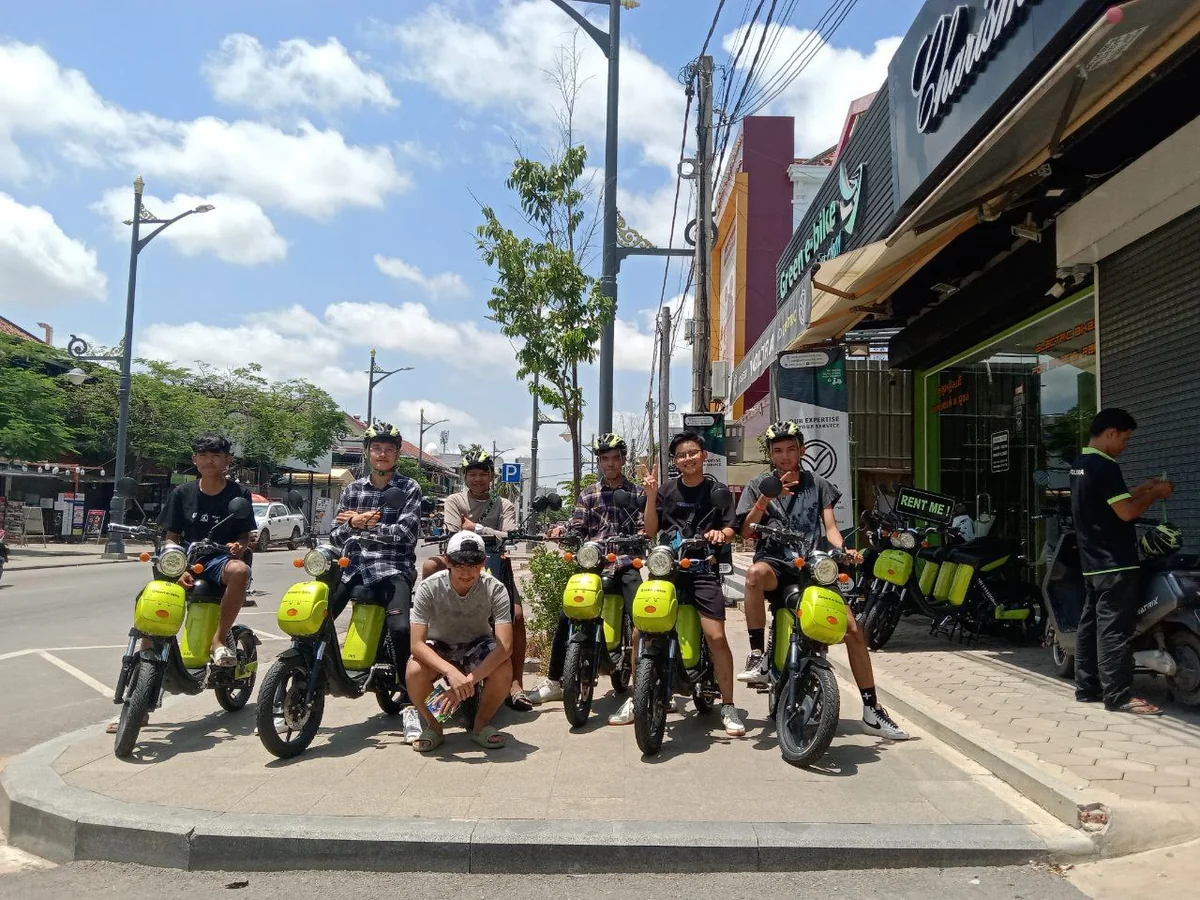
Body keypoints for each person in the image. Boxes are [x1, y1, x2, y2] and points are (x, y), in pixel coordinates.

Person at [737, 421, 910, 741]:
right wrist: (764, 499)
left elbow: (829, 526)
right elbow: (747, 531)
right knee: (752, 575)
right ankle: (758, 656)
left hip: (813, 565)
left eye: (791, 449)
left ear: (802, 450)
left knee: (854, 630)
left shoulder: (818, 484)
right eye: (778, 451)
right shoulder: (759, 484)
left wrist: (842, 549)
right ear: (771, 455)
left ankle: (872, 710)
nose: (786, 456)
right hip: (775, 564)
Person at [107, 432, 255, 733]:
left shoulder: (238, 494)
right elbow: (171, 534)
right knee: (151, 608)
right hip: (183, 558)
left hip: (217, 559)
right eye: (203, 454)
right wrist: (177, 566)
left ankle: (218, 639)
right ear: (194, 459)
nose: (209, 459)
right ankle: (140, 706)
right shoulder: (182, 493)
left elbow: (244, 533)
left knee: (240, 571)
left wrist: (240, 546)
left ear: (227, 460)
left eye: (216, 454)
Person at [529, 433, 645, 726]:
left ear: (623, 459)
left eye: (615, 457)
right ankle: (555, 680)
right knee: (566, 614)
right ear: (599, 461)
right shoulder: (588, 493)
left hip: (625, 564)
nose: (610, 463)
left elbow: (645, 527)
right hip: (593, 564)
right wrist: (565, 532)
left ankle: (645, 686)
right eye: (604, 458)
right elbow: (578, 525)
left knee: (643, 618)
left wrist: (639, 538)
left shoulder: (638, 492)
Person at [642, 431, 745, 737]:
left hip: (702, 568)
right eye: (681, 455)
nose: (687, 459)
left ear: (703, 455)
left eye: (692, 453)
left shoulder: (718, 490)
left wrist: (719, 535)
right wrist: (649, 497)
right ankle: (639, 697)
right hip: (668, 569)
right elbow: (651, 530)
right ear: (675, 461)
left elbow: (731, 530)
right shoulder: (666, 490)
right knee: (641, 629)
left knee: (715, 636)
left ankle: (728, 705)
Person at [1070, 408, 1173, 715]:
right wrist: (1155, 496)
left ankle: (1087, 688)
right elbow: (1126, 512)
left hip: (1092, 561)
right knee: (1114, 628)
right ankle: (1119, 696)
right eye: (1125, 440)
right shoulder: (1105, 466)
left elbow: (1110, 501)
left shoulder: (1080, 465)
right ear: (1111, 433)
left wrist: (1143, 489)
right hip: (1116, 562)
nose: (1125, 446)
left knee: (1089, 626)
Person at [331, 422, 424, 740]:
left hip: (392, 567)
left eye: (388, 449)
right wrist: (357, 523)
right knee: (319, 615)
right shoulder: (353, 489)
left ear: (398, 454)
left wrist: (360, 525)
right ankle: (311, 675)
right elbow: (335, 532)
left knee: (401, 629)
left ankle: (411, 697)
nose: (382, 454)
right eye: (376, 448)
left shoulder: (409, 488)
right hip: (352, 565)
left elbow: (406, 535)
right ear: (368, 453)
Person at [422, 448, 530, 712]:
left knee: (516, 617)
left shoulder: (503, 504)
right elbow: (452, 533)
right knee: (428, 566)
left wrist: (477, 528)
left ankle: (516, 683)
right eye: (473, 474)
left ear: (492, 477)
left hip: (493, 564)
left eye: (483, 474)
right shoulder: (454, 501)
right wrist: (490, 533)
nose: (478, 479)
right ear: (465, 476)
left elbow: (510, 535)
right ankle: (434, 622)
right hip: (458, 564)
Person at [407, 531, 514, 752]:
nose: (467, 573)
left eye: (474, 566)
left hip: (478, 644)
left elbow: (505, 646)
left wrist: (465, 683)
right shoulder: (429, 588)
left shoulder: (495, 588)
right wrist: (450, 672)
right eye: (459, 566)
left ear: (483, 562)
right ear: (447, 561)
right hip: (440, 645)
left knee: (503, 667)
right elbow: (416, 643)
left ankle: (481, 724)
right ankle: (434, 726)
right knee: (414, 670)